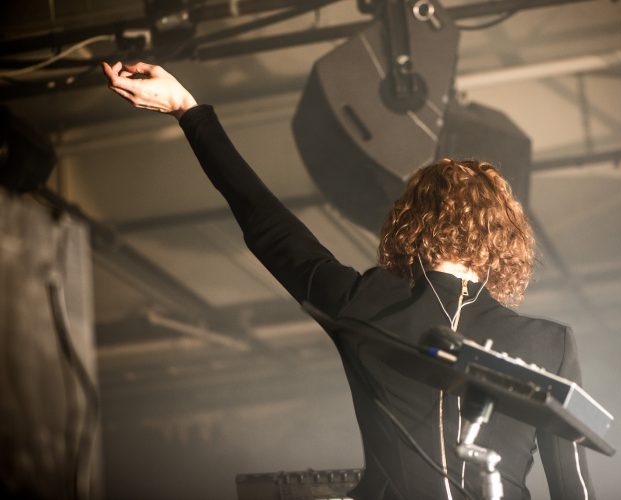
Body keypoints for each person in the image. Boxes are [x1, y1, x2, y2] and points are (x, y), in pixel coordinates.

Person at [102, 61, 595, 500]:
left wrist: (188, 110)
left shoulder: (365, 303)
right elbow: (574, 486)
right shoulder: (549, 344)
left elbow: (268, 225)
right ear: (502, 238)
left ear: (410, 225)